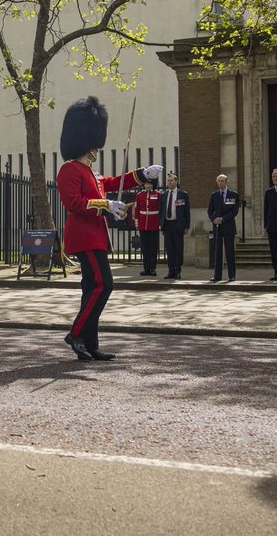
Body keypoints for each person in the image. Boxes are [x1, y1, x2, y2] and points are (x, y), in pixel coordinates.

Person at [56, 96, 163, 360]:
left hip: (96, 237)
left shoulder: (91, 172)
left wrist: (142, 174)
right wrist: (105, 205)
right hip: (84, 236)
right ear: (86, 142)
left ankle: (90, 344)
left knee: (91, 288)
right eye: (94, 146)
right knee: (104, 284)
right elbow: (74, 202)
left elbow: (114, 182)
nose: (97, 150)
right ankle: (76, 333)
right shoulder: (70, 170)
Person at [206, 174, 239, 283]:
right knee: (217, 252)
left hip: (228, 226)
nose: (220, 183)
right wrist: (214, 219)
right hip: (217, 227)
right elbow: (210, 211)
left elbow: (235, 211)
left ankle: (231, 276)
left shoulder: (234, 195)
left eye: (222, 181)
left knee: (230, 252)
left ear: (226, 182)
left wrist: (223, 219)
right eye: (219, 181)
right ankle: (217, 276)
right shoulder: (214, 195)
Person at [158, 172, 190, 280]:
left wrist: (187, 226)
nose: (170, 182)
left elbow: (187, 212)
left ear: (176, 182)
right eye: (168, 181)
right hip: (167, 225)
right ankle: (170, 271)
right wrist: (161, 226)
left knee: (178, 249)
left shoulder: (183, 194)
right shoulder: (163, 195)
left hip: (178, 225)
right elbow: (161, 211)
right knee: (169, 249)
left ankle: (177, 271)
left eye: (172, 180)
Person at [131, 179, 162, 276]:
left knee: (153, 248)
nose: (147, 185)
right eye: (146, 183)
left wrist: (160, 224)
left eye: (149, 183)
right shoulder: (139, 195)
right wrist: (137, 223)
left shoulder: (158, 195)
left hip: (154, 224)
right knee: (145, 248)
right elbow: (137, 210)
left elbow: (160, 210)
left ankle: (153, 268)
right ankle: (146, 269)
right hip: (143, 224)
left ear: (153, 184)